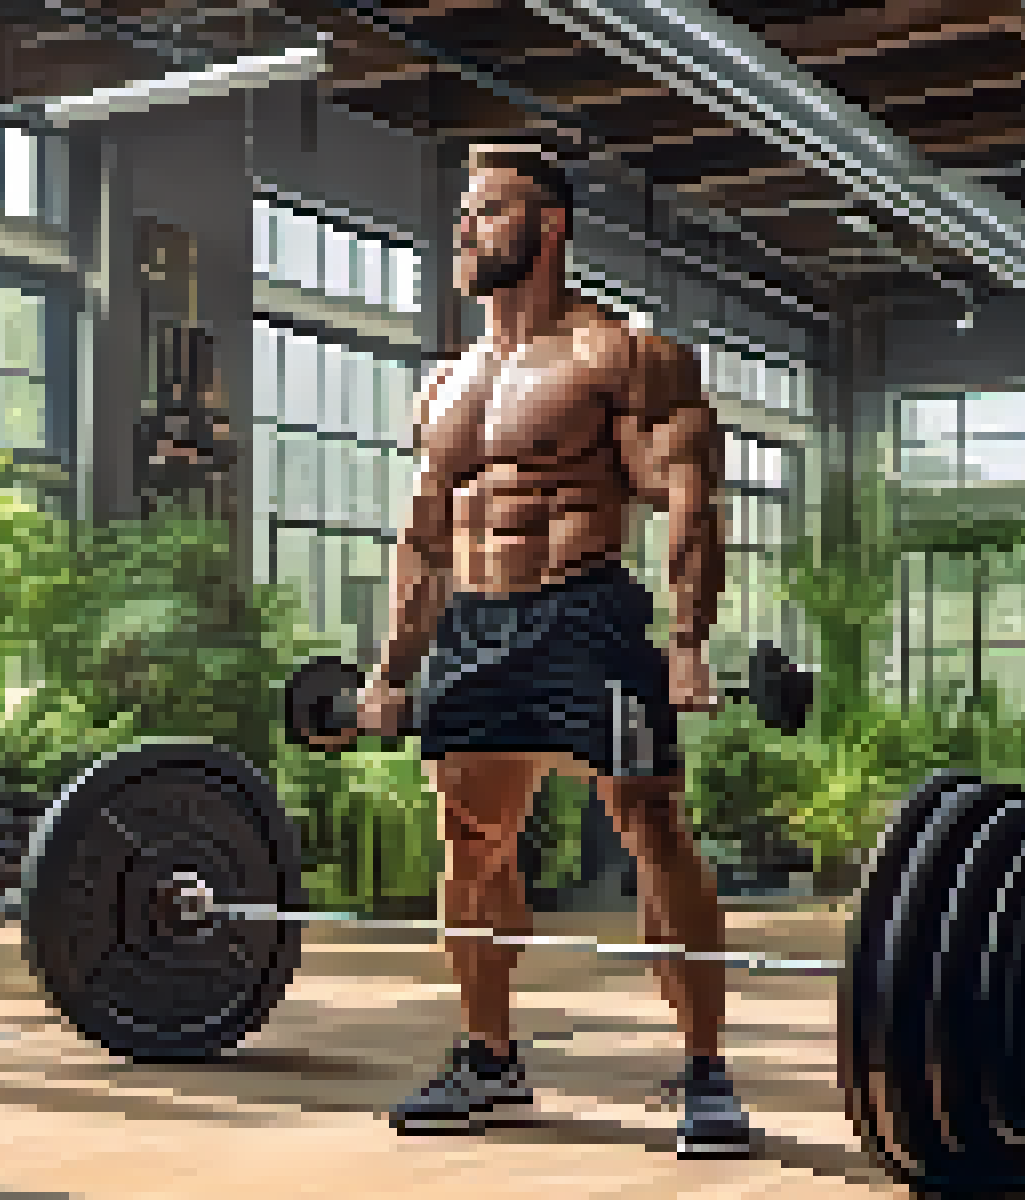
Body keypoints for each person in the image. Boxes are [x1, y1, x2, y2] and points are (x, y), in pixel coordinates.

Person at [348, 141, 752, 1157]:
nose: (465, 232)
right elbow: (425, 540)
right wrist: (392, 670)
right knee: (471, 846)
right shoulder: (443, 384)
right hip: (476, 628)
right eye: (465, 215)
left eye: (487, 212)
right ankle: (490, 1057)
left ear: (548, 224)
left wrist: (688, 640)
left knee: (652, 829)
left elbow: (694, 501)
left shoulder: (621, 356)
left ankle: (705, 1069)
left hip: (585, 614)